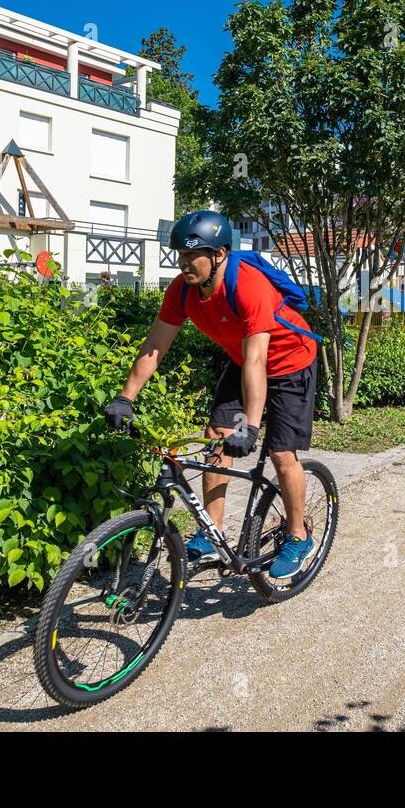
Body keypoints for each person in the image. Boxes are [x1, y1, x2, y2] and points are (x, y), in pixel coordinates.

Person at [102, 210, 319, 579]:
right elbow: (155, 346)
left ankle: (298, 535)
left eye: (192, 256)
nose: (183, 264)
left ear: (219, 254)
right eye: (180, 256)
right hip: (244, 361)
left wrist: (250, 426)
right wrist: (126, 397)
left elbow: (257, 360)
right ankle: (211, 532)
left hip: (289, 363)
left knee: (282, 454)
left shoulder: (248, 286)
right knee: (217, 437)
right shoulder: (181, 291)